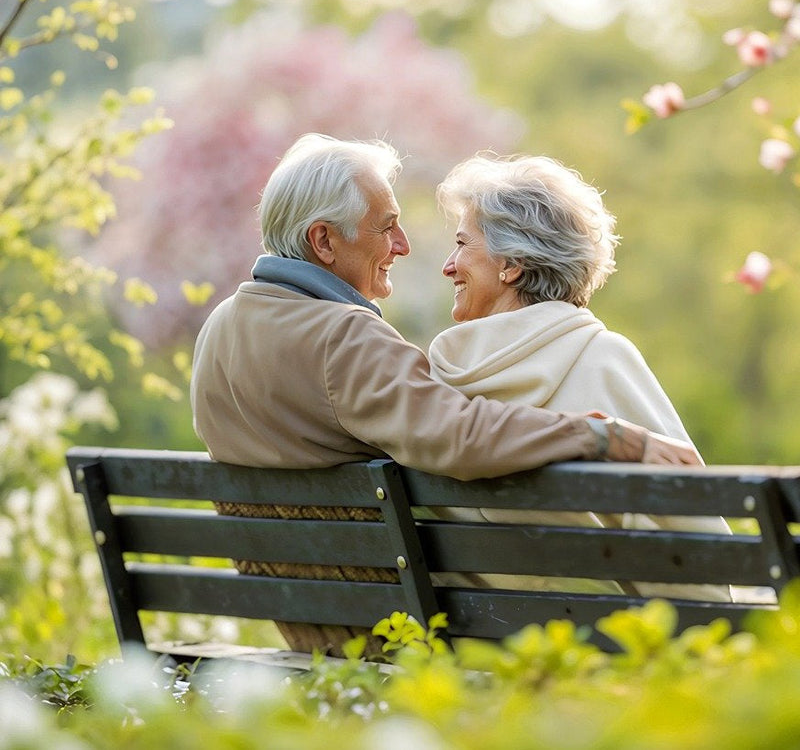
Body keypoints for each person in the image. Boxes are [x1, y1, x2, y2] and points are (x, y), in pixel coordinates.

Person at [189, 133, 702, 655]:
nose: (404, 246)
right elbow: (459, 435)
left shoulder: (219, 329)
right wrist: (603, 434)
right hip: (390, 637)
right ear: (324, 241)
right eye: (387, 228)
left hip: (305, 618)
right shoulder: (343, 337)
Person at [428, 153, 800, 641]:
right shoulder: (600, 358)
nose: (448, 266)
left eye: (460, 245)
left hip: (511, 641)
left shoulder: (437, 384)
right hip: (649, 639)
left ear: (512, 264)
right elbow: (701, 541)